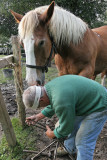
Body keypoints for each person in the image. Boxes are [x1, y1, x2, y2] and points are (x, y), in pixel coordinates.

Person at [23, 75, 107, 160]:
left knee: (83, 141)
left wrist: (53, 134)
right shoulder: (49, 88)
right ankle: (69, 148)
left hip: (100, 103)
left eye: (39, 107)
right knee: (72, 124)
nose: (41, 108)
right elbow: (54, 102)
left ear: (41, 100)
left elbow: (66, 127)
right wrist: (38, 116)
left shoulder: (60, 100)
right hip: (88, 99)